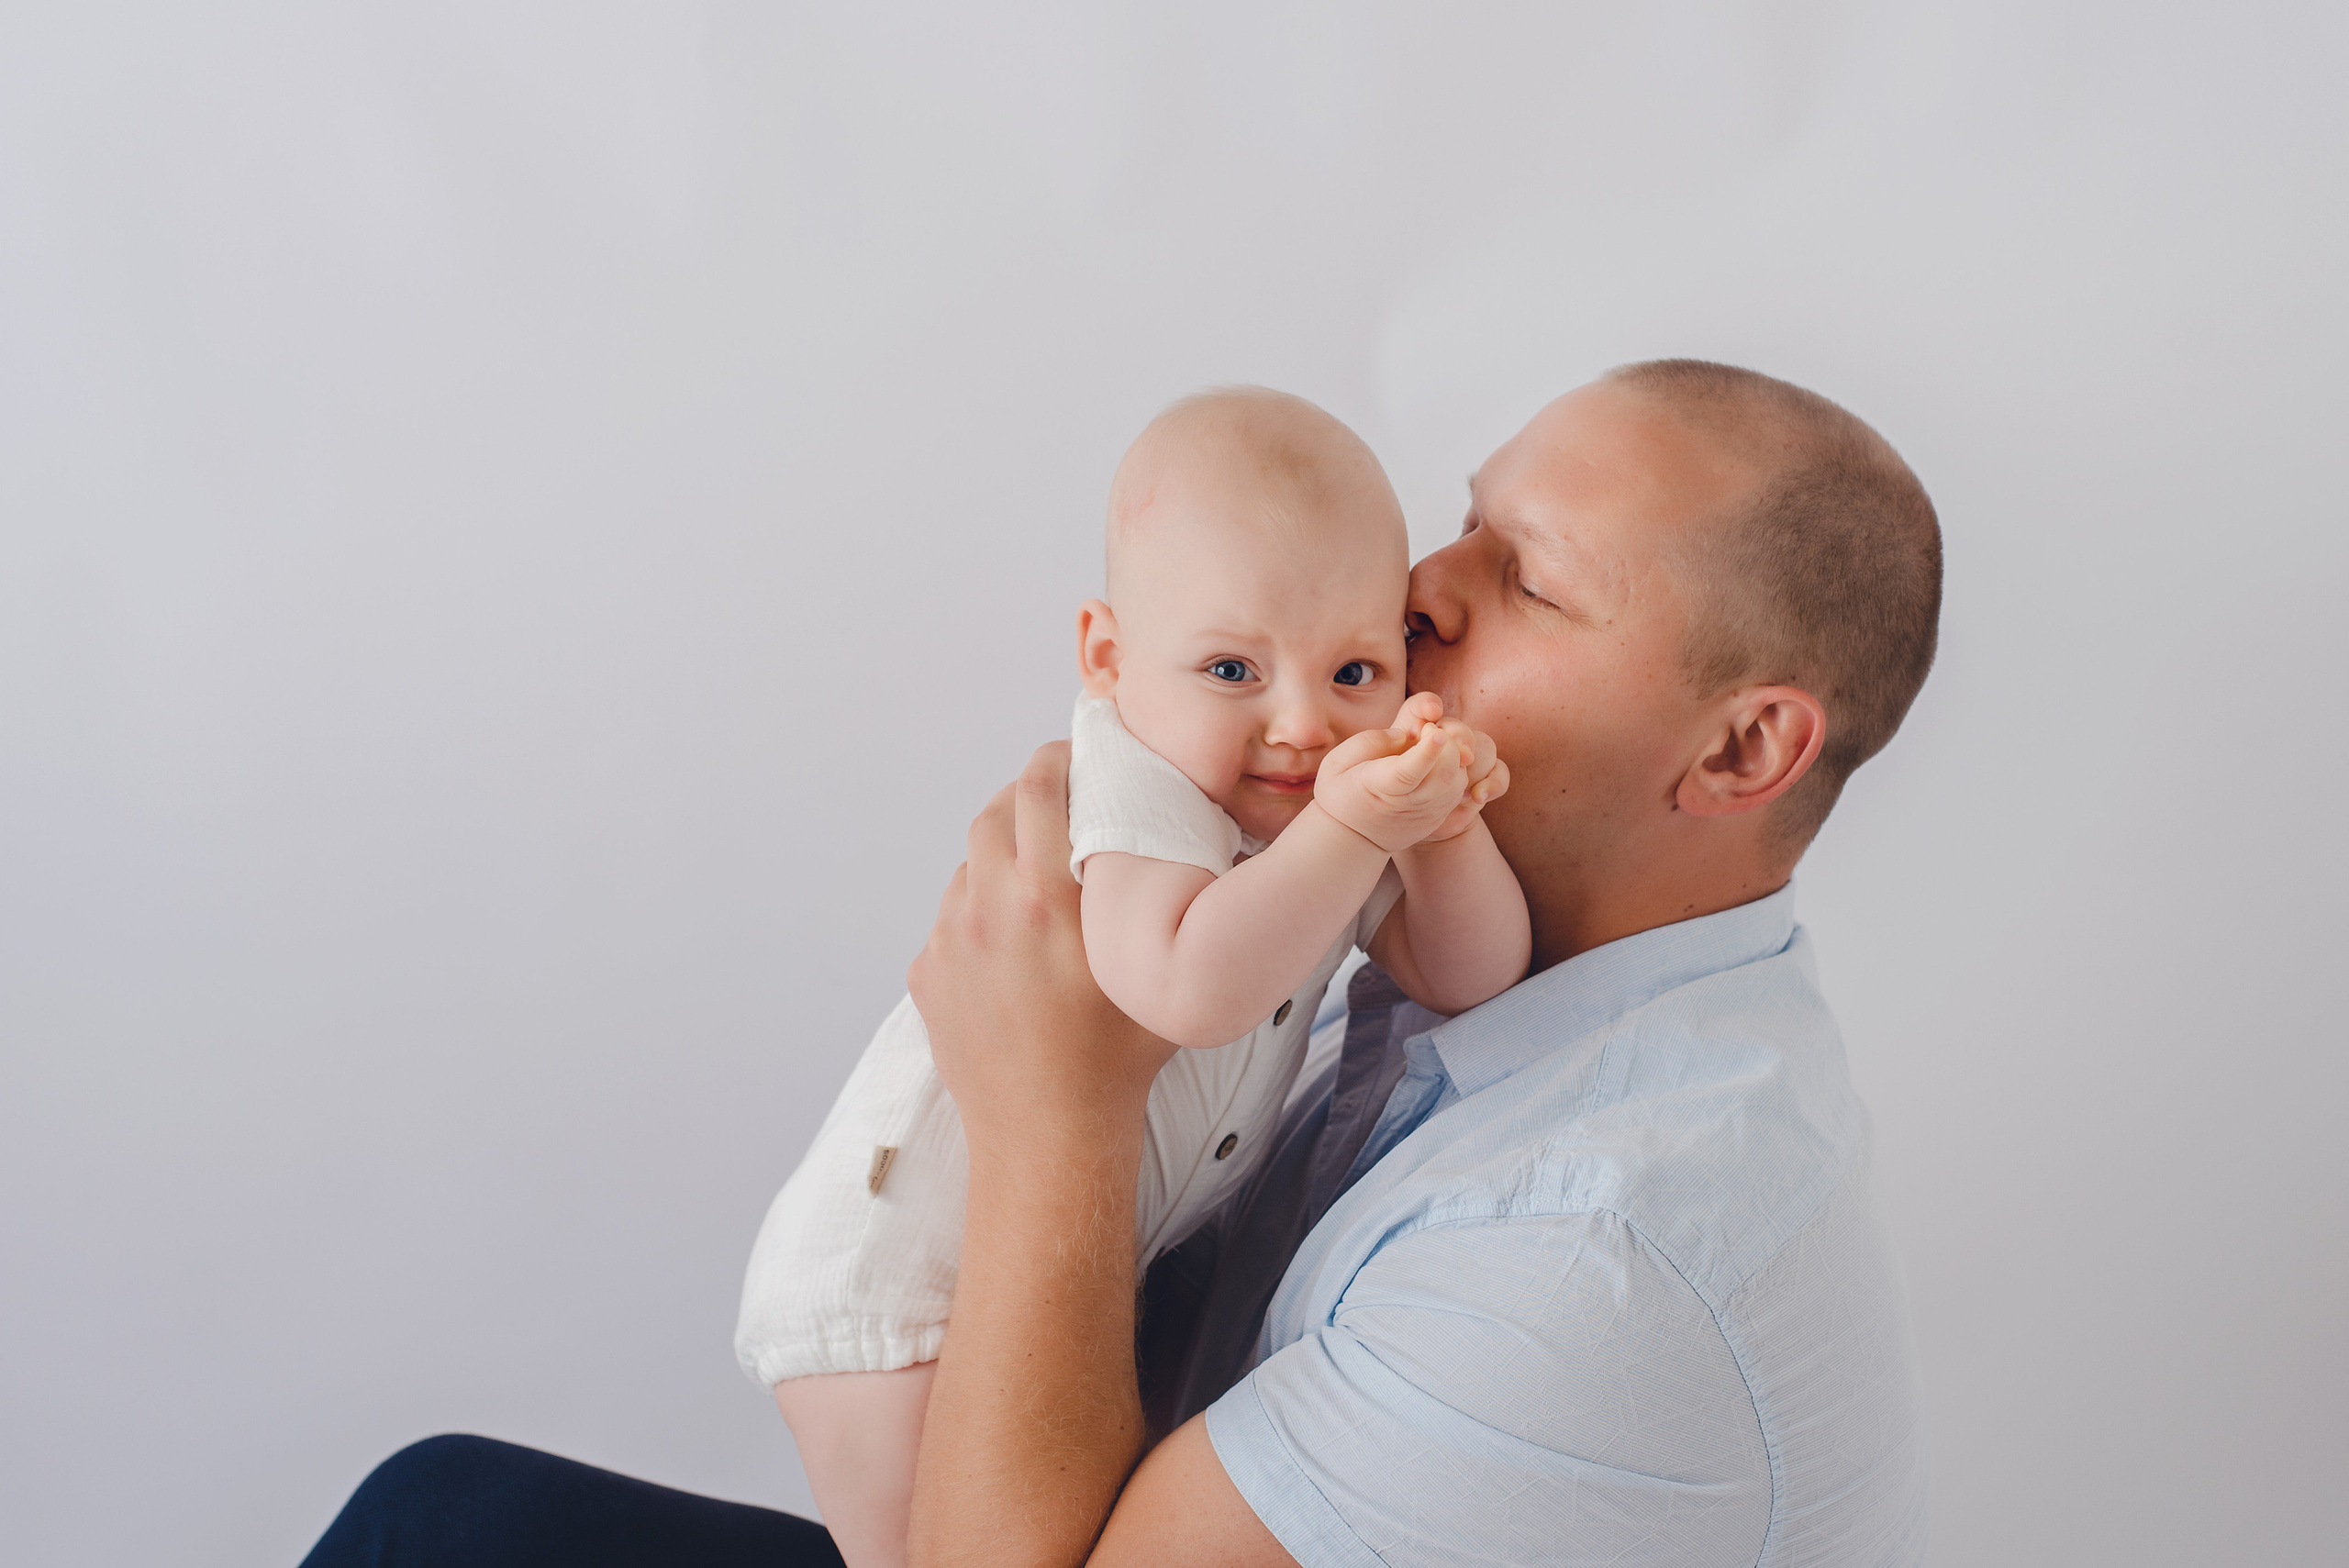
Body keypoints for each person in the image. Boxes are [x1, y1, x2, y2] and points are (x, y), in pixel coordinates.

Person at [299, 359, 1940, 1568]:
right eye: (1460, 530)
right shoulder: (1517, 983)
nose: (1419, 595)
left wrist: (1053, 1106)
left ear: (1742, 750)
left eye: (1525, 579)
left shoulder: (1601, 1251)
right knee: (437, 1514)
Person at [734, 388, 1527, 1568]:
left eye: (1354, 668)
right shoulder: (1138, 783)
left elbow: (1467, 972)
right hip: (892, 1291)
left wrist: (1445, 828)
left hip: (1049, 1278)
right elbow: (1183, 982)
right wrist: (1359, 829)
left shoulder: (1326, 811)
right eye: (1230, 667)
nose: (1302, 723)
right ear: (1109, 657)